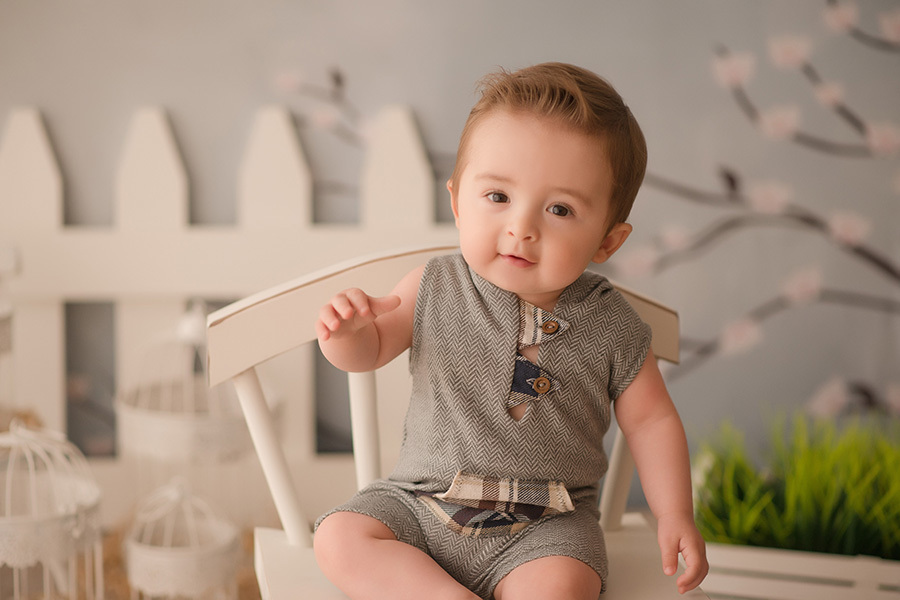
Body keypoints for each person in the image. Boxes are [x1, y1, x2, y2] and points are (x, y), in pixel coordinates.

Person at [313, 62, 708, 600]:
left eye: (560, 209)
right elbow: (369, 350)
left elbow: (653, 421)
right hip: (420, 504)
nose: (522, 227)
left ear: (607, 243)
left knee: (563, 585)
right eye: (498, 197)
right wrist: (346, 333)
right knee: (339, 536)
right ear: (457, 202)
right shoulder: (436, 285)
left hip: (548, 523)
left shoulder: (614, 325)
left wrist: (674, 513)